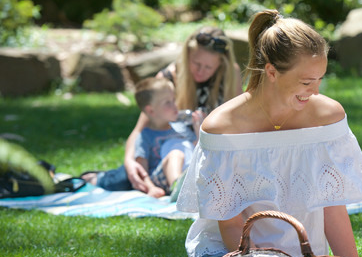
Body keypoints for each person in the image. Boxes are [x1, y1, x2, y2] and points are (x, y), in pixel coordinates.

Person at [46, 9, 362, 257]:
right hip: (229, 256)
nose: (315, 90)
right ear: (272, 72)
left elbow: (333, 208)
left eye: (319, 78)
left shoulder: (328, 117)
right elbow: (231, 226)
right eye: (306, 82)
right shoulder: (223, 127)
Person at [82, 26, 243, 192]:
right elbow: (140, 129)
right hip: (165, 153)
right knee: (127, 178)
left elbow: (239, 124)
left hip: (207, 153)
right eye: (196, 63)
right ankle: (93, 178)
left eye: (208, 67)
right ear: (187, 55)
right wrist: (129, 162)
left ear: (221, 63)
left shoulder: (231, 76)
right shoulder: (168, 78)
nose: (200, 71)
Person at [131, 77, 198, 197]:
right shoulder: (146, 135)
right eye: (168, 102)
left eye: (173, 99)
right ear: (151, 111)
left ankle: (184, 186)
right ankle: (177, 189)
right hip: (160, 179)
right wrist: (151, 188)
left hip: (186, 173)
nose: (175, 105)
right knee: (176, 154)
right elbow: (142, 167)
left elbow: (197, 149)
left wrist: (198, 126)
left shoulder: (180, 127)